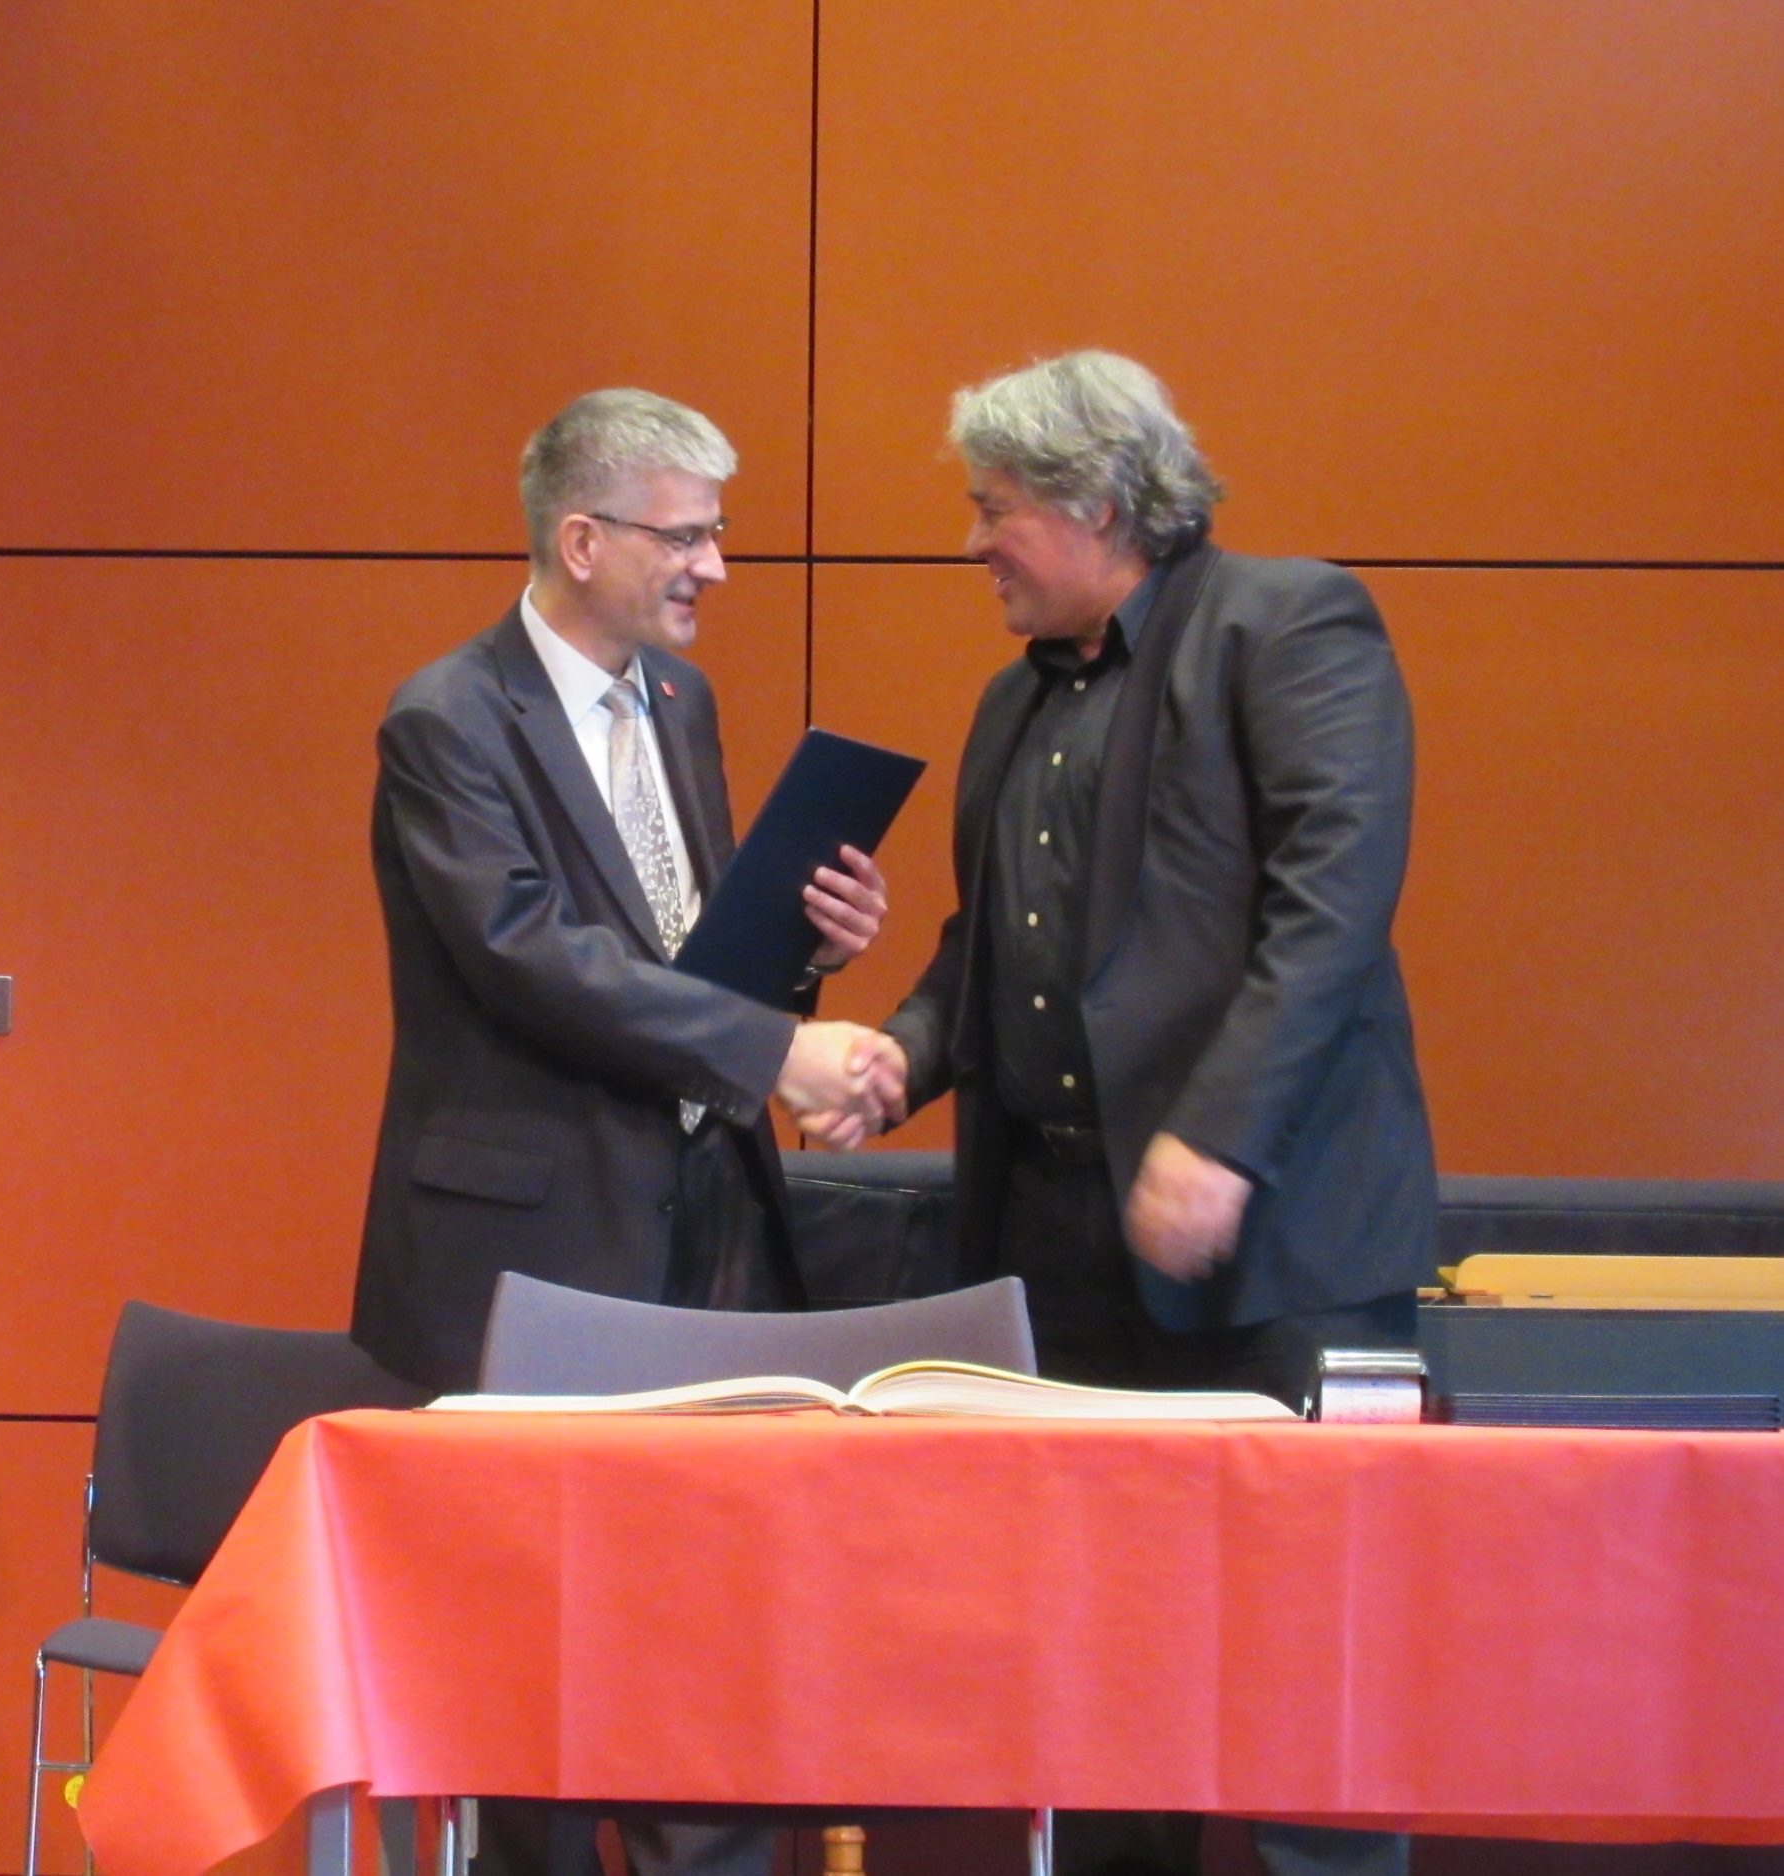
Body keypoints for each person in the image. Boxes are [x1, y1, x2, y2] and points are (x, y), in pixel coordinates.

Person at [853, 351, 1433, 1876]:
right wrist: (896, 1059)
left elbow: (1331, 907)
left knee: (1308, 1653)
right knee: (1104, 1650)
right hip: (1060, 1240)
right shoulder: (1009, 702)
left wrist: (1220, 1136)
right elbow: (987, 947)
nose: (973, 544)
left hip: (1276, 1242)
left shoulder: (1284, 624)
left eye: (993, 509)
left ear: (1097, 503)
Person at [354, 386, 889, 1876]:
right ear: (581, 541)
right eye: (687, 535)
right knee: (527, 1650)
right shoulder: (445, 719)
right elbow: (526, 958)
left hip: (706, 1226)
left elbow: (679, 955)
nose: (715, 564)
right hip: (538, 1245)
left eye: (717, 532)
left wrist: (803, 953)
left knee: (706, 1629)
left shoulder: (679, 703)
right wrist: (778, 1050)